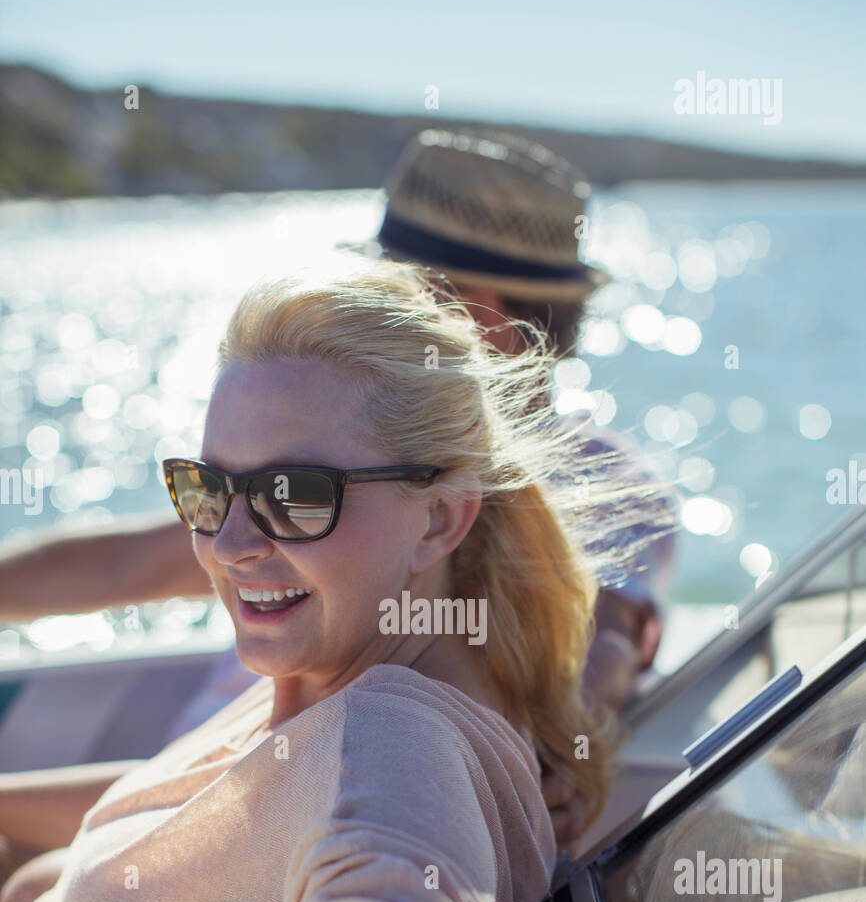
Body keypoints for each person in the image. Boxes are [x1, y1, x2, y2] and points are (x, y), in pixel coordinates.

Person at [0, 260, 617, 902]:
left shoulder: (390, 750)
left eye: (293, 494)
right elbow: (213, 813)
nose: (230, 543)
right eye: (207, 487)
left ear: (440, 517)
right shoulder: (341, 665)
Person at [0, 129, 674, 865]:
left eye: (390, 297)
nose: (233, 540)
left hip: (233, 826)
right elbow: (121, 568)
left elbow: (607, 631)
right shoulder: (340, 462)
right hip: (194, 793)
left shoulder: (586, 484)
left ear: (478, 323)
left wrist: (571, 733)